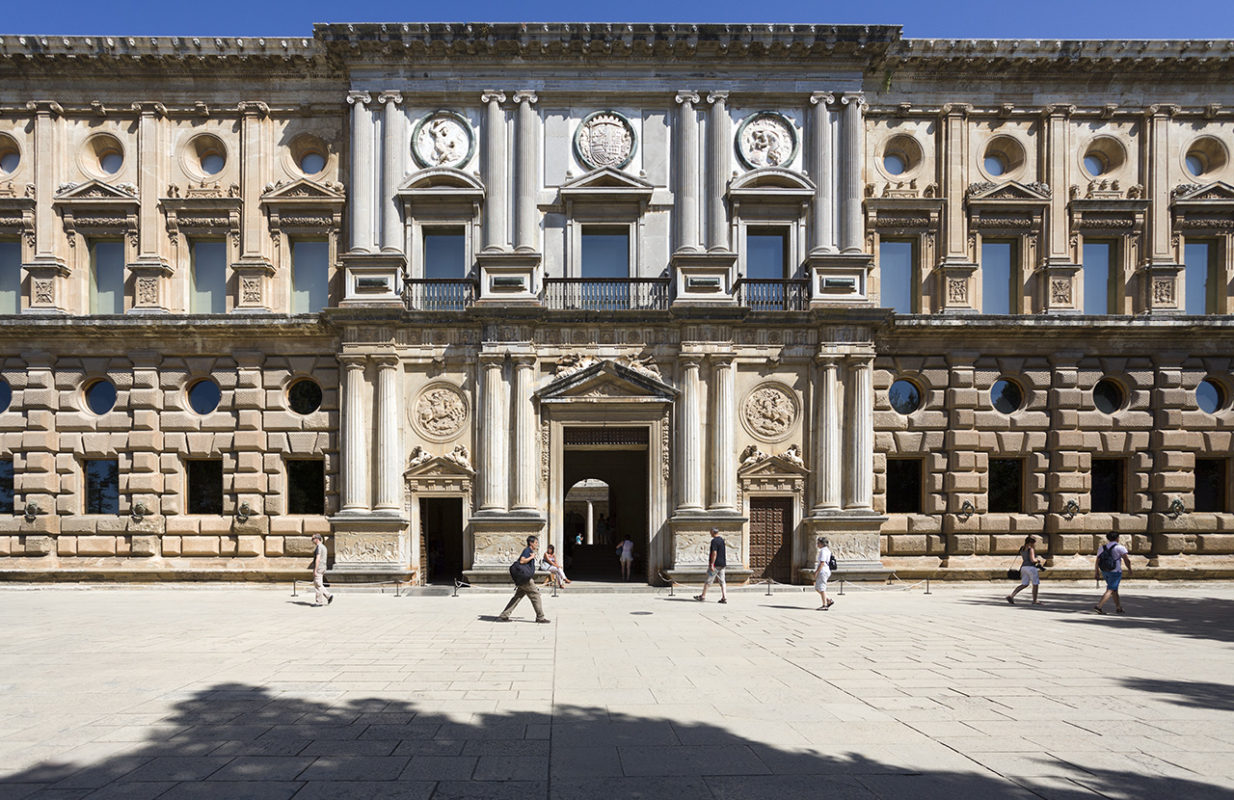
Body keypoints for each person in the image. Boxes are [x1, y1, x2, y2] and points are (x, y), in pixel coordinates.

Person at [498, 535, 550, 623]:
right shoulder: (527, 550)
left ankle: (504, 615)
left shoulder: (529, 551)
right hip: (526, 579)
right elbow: (522, 561)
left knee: (517, 597)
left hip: (522, 578)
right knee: (536, 595)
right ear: (531, 543)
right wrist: (531, 557)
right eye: (536, 542)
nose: (537, 544)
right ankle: (540, 617)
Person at [1094, 532, 1131, 614]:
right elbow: (1126, 560)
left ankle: (1118, 608)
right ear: (1117, 538)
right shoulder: (1120, 548)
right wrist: (1129, 569)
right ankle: (1099, 606)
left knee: (1114, 589)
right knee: (1110, 589)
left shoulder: (1102, 548)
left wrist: (1096, 571)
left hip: (1105, 571)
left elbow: (1097, 561)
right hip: (1115, 572)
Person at [1006, 534, 1044, 606]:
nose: (1034, 545)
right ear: (1030, 542)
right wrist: (1038, 560)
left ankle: (1011, 595)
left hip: (1023, 568)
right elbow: (1032, 560)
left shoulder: (1022, 548)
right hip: (1031, 568)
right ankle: (1035, 600)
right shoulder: (1030, 549)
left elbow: (1025, 558)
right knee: (1035, 584)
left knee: (1024, 584)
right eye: (1034, 543)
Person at [694, 528, 728, 604]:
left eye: (710, 532)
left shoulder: (714, 541)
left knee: (708, 580)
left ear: (713, 532)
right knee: (722, 581)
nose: (710, 533)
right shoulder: (722, 540)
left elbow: (714, 553)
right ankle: (724, 597)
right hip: (722, 564)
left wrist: (712, 564)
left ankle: (703, 596)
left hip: (715, 565)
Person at [310, 533, 333, 607]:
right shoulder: (324, 547)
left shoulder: (319, 547)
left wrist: (315, 570)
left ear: (317, 539)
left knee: (318, 585)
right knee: (319, 583)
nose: (312, 540)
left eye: (313, 539)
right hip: (323, 567)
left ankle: (319, 602)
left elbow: (318, 559)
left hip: (319, 567)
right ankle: (328, 596)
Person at [814, 536, 834, 611]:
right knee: (817, 588)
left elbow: (822, 563)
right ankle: (829, 600)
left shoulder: (823, 551)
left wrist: (816, 572)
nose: (817, 544)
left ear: (822, 544)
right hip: (826, 570)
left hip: (823, 570)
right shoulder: (827, 550)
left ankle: (824, 605)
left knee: (821, 588)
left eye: (818, 543)